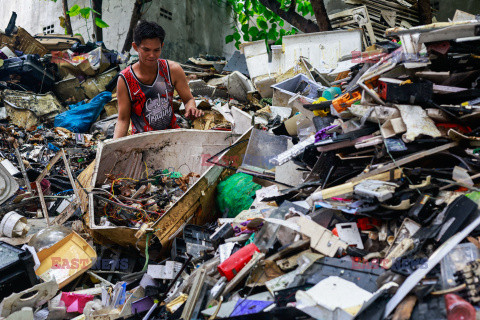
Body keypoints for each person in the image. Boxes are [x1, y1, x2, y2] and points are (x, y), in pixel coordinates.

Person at [113, 20, 203, 139]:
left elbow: (188, 99)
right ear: (135, 47)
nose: (152, 55)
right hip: (141, 142)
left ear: (162, 46)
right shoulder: (125, 79)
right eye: (146, 50)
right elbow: (123, 120)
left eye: (156, 50)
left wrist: (191, 108)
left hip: (171, 137)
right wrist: (114, 150)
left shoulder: (172, 70)